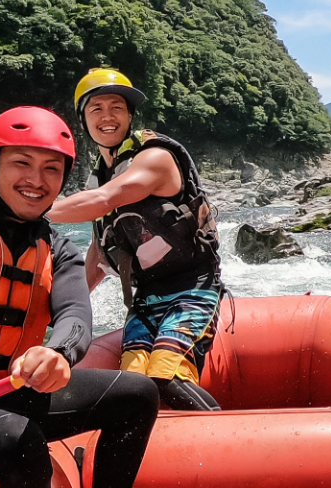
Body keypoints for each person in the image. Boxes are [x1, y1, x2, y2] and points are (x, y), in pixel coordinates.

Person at [0, 106, 160, 488]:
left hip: (5, 389)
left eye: (52, 169)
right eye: (22, 163)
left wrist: (57, 353)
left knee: (138, 394)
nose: (36, 180)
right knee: (19, 440)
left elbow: (75, 313)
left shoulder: (58, 248)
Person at [48, 68, 225, 411]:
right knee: (133, 386)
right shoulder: (98, 177)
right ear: (83, 119)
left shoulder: (155, 158)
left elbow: (106, 200)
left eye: (117, 107)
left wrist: (29, 209)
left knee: (165, 378)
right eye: (96, 108)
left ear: (130, 116)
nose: (107, 116)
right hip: (145, 298)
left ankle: (225, 439)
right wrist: (63, 309)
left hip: (193, 287)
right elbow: (100, 252)